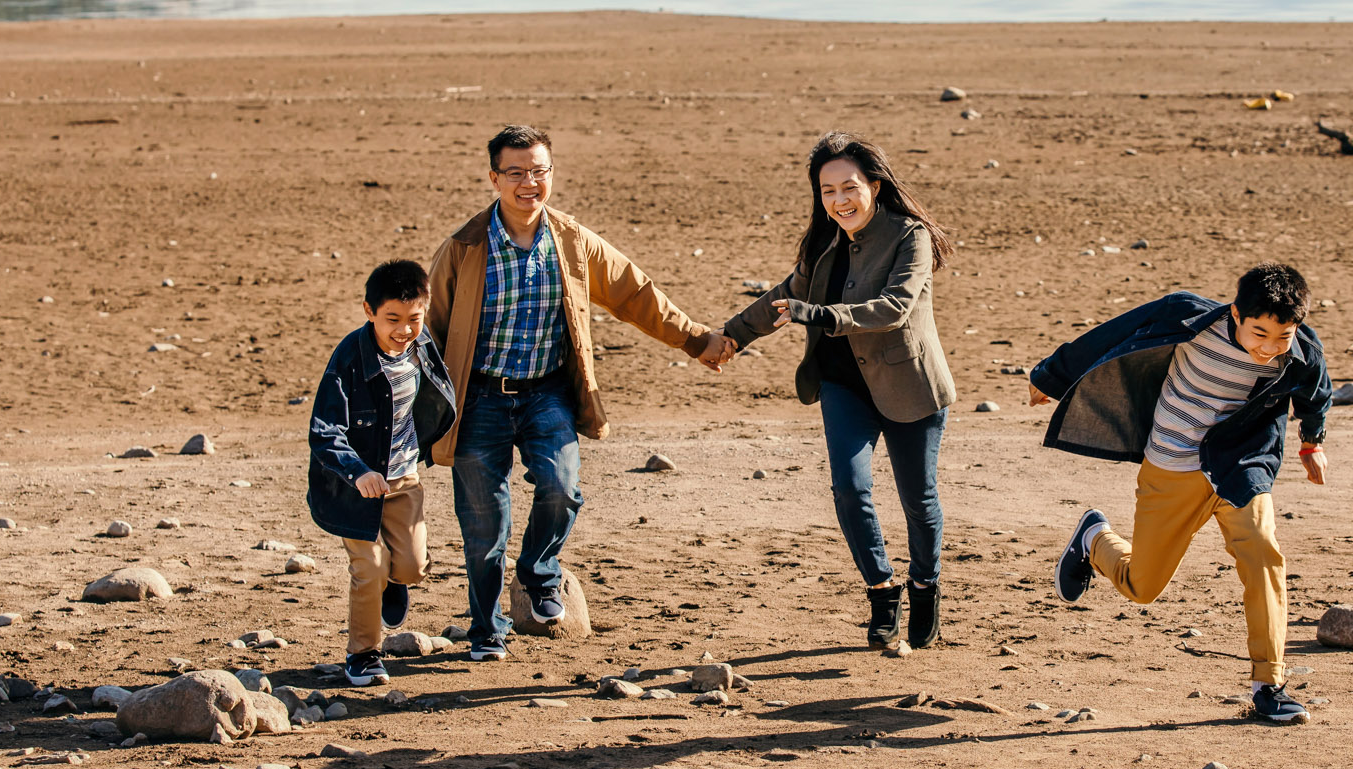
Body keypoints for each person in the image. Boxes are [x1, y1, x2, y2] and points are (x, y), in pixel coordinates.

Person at [428, 124, 734, 661]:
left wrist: (695, 340)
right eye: (516, 173)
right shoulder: (463, 249)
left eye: (539, 171)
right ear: (494, 177)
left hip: (547, 392)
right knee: (483, 519)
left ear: (551, 173)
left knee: (561, 486)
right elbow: (429, 332)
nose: (529, 183)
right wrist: (410, 408)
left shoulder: (571, 240)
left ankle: (540, 574)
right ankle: (486, 627)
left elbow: (635, 293)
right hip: (479, 397)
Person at [1032, 263, 1332, 725]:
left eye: (1282, 338)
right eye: (1259, 334)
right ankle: (1095, 540)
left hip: (1238, 467)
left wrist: (1312, 444)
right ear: (1235, 314)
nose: (1268, 349)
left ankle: (1269, 685)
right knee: (1142, 587)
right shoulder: (1186, 316)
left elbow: (1317, 393)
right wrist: (1051, 377)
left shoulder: (1302, 349)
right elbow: (1110, 333)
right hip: (1171, 468)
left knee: (1262, 553)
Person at [722, 133, 956, 650]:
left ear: (874, 185)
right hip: (842, 385)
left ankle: (924, 586)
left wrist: (825, 316)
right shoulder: (823, 241)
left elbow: (895, 306)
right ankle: (882, 591)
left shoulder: (909, 236)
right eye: (827, 191)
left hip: (907, 385)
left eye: (849, 187)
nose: (839, 201)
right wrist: (730, 338)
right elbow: (786, 297)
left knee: (918, 499)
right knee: (850, 490)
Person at [307, 259, 458, 687]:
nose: (404, 330)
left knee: (411, 567)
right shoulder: (349, 359)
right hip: (355, 488)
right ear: (368, 311)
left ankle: (394, 582)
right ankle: (364, 655)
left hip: (404, 480)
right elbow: (324, 431)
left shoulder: (422, 344)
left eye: (414, 319)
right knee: (369, 566)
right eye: (392, 319)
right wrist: (357, 471)